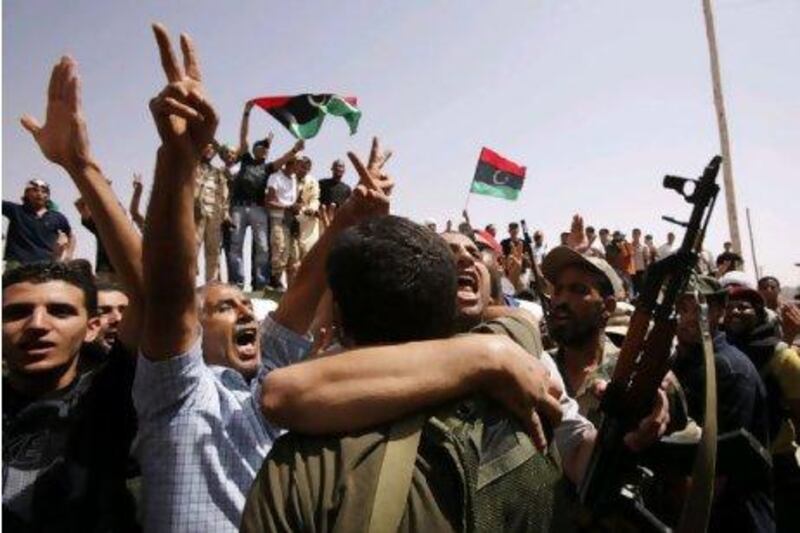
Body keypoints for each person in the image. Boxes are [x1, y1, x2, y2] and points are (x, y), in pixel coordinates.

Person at [133, 27, 397, 531]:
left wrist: (350, 217)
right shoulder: (176, 393)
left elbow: (301, 292)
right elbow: (169, 288)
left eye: (245, 305)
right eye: (223, 306)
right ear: (191, 329)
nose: (245, 311)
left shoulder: (274, 379)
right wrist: (178, 159)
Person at [5, 54, 145, 531]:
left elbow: (154, 296)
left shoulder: (107, 399)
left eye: (60, 310)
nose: (37, 325)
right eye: (18, 312)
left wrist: (80, 167)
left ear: (90, 329)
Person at [671, 276, 774, 533]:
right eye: (681, 309)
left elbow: (719, 467)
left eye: (699, 308)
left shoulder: (730, 369)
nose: (688, 317)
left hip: (733, 516)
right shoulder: (678, 363)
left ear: (719, 312)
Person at [724, 286, 800, 532]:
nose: (735, 311)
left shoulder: (782, 357)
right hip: (736, 468)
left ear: (758, 314)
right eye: (728, 308)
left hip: (777, 463)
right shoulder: (719, 356)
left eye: (743, 306)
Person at [541, 246, 628, 425]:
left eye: (579, 290)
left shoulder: (628, 369)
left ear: (608, 307)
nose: (562, 300)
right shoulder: (539, 368)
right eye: (558, 291)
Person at [3, 179, 74, 268]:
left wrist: (68, 256)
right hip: (17, 265)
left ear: (48, 196)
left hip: (46, 266)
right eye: (35, 190)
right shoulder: (15, 210)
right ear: (26, 194)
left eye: (44, 191)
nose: (39, 193)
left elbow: (71, 236)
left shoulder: (57, 217)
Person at [194, 142, 229, 282]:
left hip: (215, 214)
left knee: (213, 251)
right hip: (196, 213)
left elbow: (224, 195)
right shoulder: (191, 168)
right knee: (192, 250)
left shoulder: (218, 173)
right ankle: (187, 284)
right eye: (206, 147)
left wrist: (225, 213)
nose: (209, 150)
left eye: (212, 149)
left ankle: (212, 285)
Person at [266, 154, 301, 289]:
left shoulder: (294, 179)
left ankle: (290, 287)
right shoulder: (275, 177)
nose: (300, 167)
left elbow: (293, 201)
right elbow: (269, 202)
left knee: (293, 254)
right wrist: (287, 207)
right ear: (290, 163)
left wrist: (297, 207)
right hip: (278, 217)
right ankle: (275, 281)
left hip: (291, 219)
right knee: (279, 250)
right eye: (298, 163)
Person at [75, 196, 115, 274]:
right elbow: (79, 204)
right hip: (107, 272)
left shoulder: (129, 232)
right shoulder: (102, 227)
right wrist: (98, 190)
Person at [293, 155, 321, 265]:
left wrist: (311, 209)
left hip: (308, 220)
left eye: (306, 167)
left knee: (308, 253)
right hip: (290, 217)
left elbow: (315, 198)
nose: (303, 169)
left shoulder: (312, 181)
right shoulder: (289, 178)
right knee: (292, 256)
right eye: (301, 166)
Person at [631, 228, 649, 295]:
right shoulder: (629, 246)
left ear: (639, 235)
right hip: (631, 270)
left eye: (637, 234)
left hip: (640, 271)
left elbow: (646, 259)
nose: (635, 235)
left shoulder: (644, 246)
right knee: (632, 289)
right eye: (634, 234)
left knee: (640, 288)